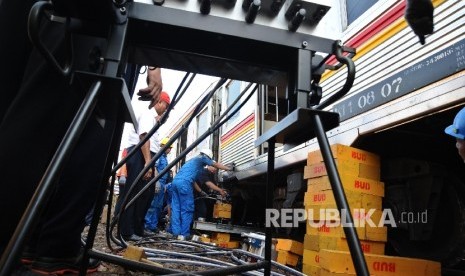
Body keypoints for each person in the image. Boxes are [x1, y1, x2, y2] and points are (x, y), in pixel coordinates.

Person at [118, 91, 171, 241]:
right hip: (139, 154)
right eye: (166, 106)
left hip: (146, 156)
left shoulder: (154, 120)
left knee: (145, 195)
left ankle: (138, 228)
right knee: (133, 193)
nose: (166, 110)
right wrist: (148, 162)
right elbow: (144, 137)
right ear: (160, 102)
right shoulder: (148, 115)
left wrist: (150, 163)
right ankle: (126, 231)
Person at [169, 149, 233, 238]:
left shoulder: (192, 163)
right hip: (184, 185)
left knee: (176, 208)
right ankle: (185, 234)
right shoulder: (202, 158)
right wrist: (229, 168)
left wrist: (201, 192)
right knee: (187, 209)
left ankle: (175, 233)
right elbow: (215, 165)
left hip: (175, 183)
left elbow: (194, 181)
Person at [144, 137, 173, 233]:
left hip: (163, 183)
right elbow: (155, 168)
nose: (170, 149)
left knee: (158, 206)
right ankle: (146, 225)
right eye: (169, 147)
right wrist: (156, 182)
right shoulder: (159, 155)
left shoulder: (164, 157)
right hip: (158, 181)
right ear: (163, 146)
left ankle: (153, 226)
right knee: (153, 205)